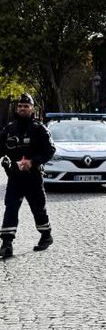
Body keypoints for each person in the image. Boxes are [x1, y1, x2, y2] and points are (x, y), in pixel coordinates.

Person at [0, 93, 56, 258]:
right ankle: (7, 244)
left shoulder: (40, 129)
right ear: (17, 109)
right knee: (11, 207)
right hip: (15, 178)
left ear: (32, 109)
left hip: (33, 176)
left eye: (26, 106)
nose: (23, 109)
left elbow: (50, 150)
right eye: (20, 106)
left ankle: (46, 236)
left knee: (38, 208)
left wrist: (33, 162)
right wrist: (5, 160)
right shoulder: (9, 129)